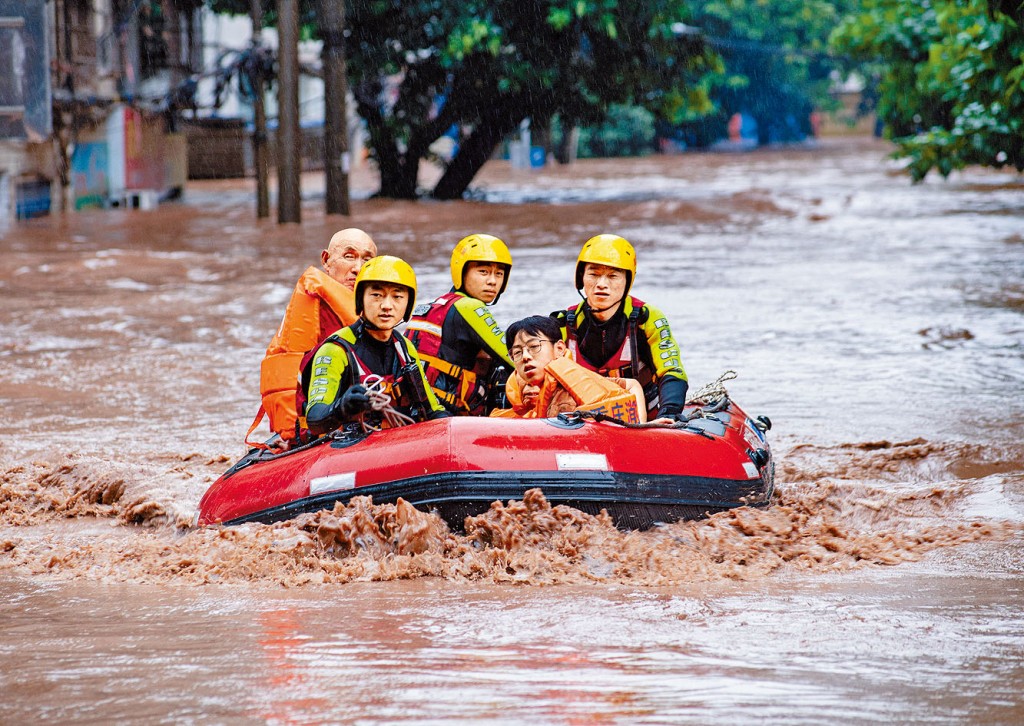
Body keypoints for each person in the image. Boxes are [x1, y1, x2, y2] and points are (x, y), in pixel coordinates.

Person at [248, 228, 377, 446]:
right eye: (349, 256)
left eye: (367, 260)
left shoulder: (375, 309)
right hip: (315, 426)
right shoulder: (317, 306)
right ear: (326, 260)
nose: (358, 268)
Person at [300, 255, 448, 435]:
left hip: (397, 441)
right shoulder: (335, 350)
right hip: (348, 444)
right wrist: (342, 407)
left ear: (408, 304)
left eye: (397, 296)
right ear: (360, 299)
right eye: (376, 295)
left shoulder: (405, 348)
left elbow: (432, 409)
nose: (387, 306)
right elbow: (315, 420)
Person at [551, 234, 688, 420]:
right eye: (593, 274)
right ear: (581, 277)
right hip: (580, 421)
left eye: (613, 276)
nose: (601, 284)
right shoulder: (562, 323)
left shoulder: (647, 318)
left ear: (627, 281)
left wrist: (669, 413)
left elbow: (672, 371)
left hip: (645, 418)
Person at [406, 233, 515, 415]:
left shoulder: (437, 305)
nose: (492, 281)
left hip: (418, 410)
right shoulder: (469, 307)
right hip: (448, 414)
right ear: (461, 272)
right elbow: (513, 357)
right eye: (483, 272)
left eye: (499, 274)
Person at [491, 316, 645, 422]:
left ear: (559, 348)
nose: (525, 356)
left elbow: (632, 385)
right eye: (517, 352)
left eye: (534, 347)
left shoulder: (578, 383)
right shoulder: (532, 393)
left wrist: (640, 426)